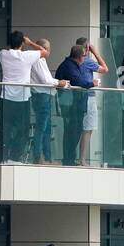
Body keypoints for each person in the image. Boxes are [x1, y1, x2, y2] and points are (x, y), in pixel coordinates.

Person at [0, 31, 49, 162]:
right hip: (22, 99)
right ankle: (14, 158)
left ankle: (3, 157)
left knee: (6, 130)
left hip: (6, 98)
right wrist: (30, 42)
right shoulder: (27, 56)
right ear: (22, 43)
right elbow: (45, 52)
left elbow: (6, 50)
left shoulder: (3, 54)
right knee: (23, 131)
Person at [29, 37, 68, 163]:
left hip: (45, 96)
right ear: (44, 49)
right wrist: (59, 82)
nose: (49, 51)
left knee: (46, 128)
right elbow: (45, 80)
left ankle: (47, 157)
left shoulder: (41, 60)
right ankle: (39, 156)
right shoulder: (38, 60)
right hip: (41, 96)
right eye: (48, 48)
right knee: (42, 128)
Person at [55, 44, 96, 165]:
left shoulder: (72, 65)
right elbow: (78, 81)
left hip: (75, 105)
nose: (85, 58)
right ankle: (68, 159)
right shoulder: (69, 66)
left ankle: (69, 158)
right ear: (79, 57)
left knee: (74, 131)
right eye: (84, 56)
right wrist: (92, 83)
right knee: (72, 132)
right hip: (71, 105)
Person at [74, 38, 109, 166]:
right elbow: (105, 69)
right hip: (88, 97)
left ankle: (76, 157)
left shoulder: (72, 61)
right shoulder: (87, 61)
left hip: (76, 97)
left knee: (79, 128)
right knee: (88, 129)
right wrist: (95, 53)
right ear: (87, 48)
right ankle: (82, 159)